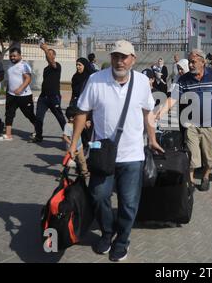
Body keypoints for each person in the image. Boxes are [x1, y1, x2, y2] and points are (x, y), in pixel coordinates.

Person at [68, 40, 163, 262]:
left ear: (133, 59)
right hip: (103, 154)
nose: (119, 61)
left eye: (124, 57)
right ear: (110, 58)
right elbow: (82, 112)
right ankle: (107, 232)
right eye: (115, 56)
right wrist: (74, 143)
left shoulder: (141, 82)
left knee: (129, 203)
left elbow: (147, 112)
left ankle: (122, 241)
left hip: (133, 155)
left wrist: (152, 138)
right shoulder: (95, 80)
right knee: (99, 196)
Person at [157, 49, 212, 192]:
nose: (190, 65)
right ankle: (189, 182)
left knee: (210, 157)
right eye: (189, 62)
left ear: (203, 62)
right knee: (191, 156)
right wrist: (160, 113)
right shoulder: (184, 79)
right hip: (192, 125)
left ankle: (206, 176)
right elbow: (174, 98)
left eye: (193, 62)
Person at [0, 47, 37, 142]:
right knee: (9, 114)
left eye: (14, 56)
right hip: (11, 95)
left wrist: (20, 89)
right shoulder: (9, 65)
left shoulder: (24, 65)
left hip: (24, 96)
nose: (12, 57)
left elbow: (28, 79)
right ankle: (8, 135)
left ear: (20, 55)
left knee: (29, 114)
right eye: (11, 56)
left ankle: (38, 130)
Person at [31, 43, 67, 143]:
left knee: (60, 117)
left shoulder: (57, 66)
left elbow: (51, 61)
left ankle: (69, 135)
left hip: (54, 97)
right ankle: (38, 136)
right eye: (47, 54)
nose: (48, 55)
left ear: (54, 56)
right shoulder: (45, 69)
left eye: (50, 54)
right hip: (43, 97)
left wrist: (46, 49)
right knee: (38, 117)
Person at [63, 106, 89, 178]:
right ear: (71, 118)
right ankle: (64, 174)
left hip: (80, 146)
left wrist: (86, 125)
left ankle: (85, 172)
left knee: (82, 160)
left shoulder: (77, 123)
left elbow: (83, 127)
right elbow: (64, 136)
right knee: (69, 163)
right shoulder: (68, 126)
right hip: (71, 149)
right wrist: (71, 143)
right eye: (77, 117)